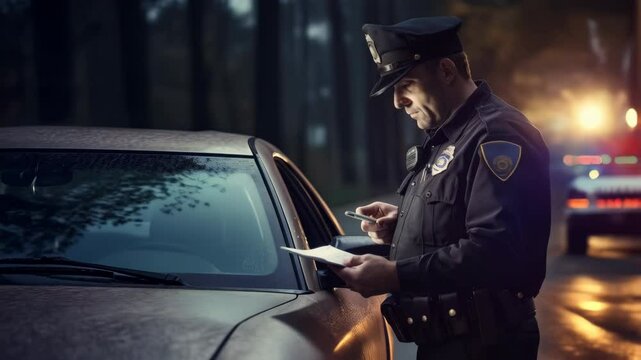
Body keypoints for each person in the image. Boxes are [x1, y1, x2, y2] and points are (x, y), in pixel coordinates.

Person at [330, 16, 551, 360]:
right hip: (451, 342)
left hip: (486, 345)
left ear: (447, 71)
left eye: (406, 84)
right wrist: (404, 224)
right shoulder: (451, 135)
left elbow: (495, 250)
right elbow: (460, 218)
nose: (397, 101)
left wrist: (395, 274)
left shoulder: (496, 135)